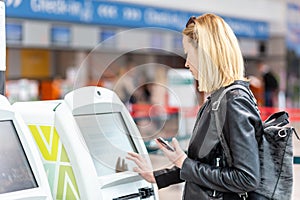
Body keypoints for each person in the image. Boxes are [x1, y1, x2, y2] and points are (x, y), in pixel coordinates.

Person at [127, 13, 265, 199]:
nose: (186, 63)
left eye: (188, 53)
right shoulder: (217, 99)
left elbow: (246, 178)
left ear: (206, 54)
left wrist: (184, 163)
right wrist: (158, 176)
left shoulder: (233, 101)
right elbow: (207, 163)